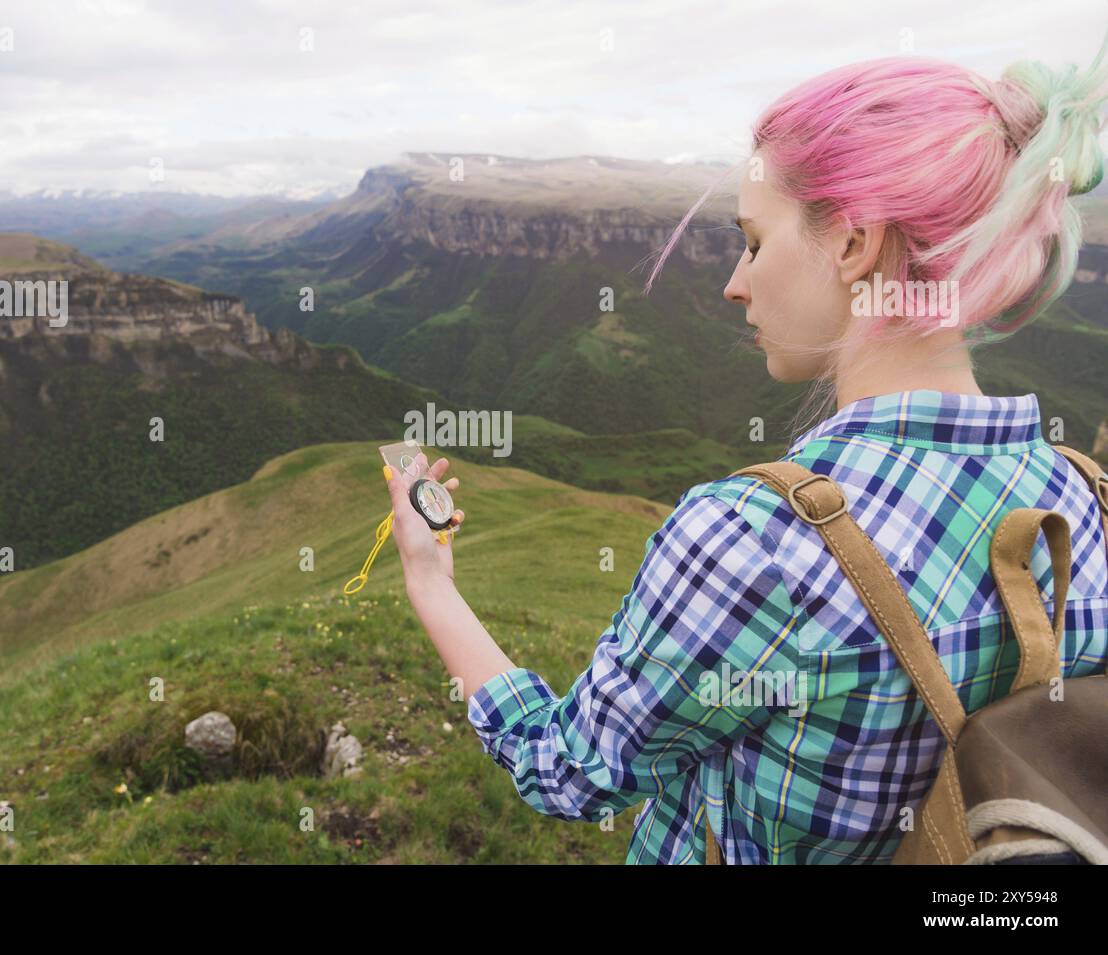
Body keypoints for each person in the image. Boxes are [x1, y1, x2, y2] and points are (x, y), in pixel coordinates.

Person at [383, 37, 1108, 863]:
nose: (735, 281)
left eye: (755, 241)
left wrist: (430, 580)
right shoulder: (1090, 507)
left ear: (852, 244)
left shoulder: (754, 539)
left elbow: (570, 771)